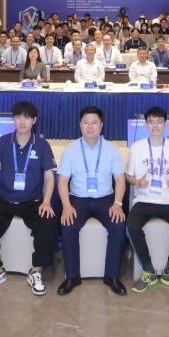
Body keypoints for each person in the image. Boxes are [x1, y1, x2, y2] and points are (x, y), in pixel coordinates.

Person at [0, 101, 58, 296]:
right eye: (18, 117)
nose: (22, 121)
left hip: (32, 201)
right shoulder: (3, 142)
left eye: (27, 117)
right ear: (13, 119)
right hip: (4, 199)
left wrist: (47, 201)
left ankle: (36, 271)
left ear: (34, 120)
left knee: (48, 220)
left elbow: (49, 176)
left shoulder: (42, 145)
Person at [56, 106, 128, 296]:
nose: (90, 126)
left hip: (105, 199)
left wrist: (118, 204)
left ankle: (112, 276)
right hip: (78, 199)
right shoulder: (71, 149)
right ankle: (72, 276)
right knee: (68, 225)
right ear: (80, 125)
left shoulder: (111, 149)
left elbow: (120, 179)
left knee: (118, 225)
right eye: (86, 122)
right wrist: (66, 206)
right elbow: (62, 181)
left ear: (101, 125)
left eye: (94, 122)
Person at [126, 106, 169, 293]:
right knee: (132, 226)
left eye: (159, 121)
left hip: (168, 200)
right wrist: (137, 181)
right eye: (151, 122)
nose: (155, 126)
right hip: (143, 199)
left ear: (166, 124)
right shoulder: (137, 147)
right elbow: (128, 176)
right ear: (145, 124)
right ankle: (148, 270)